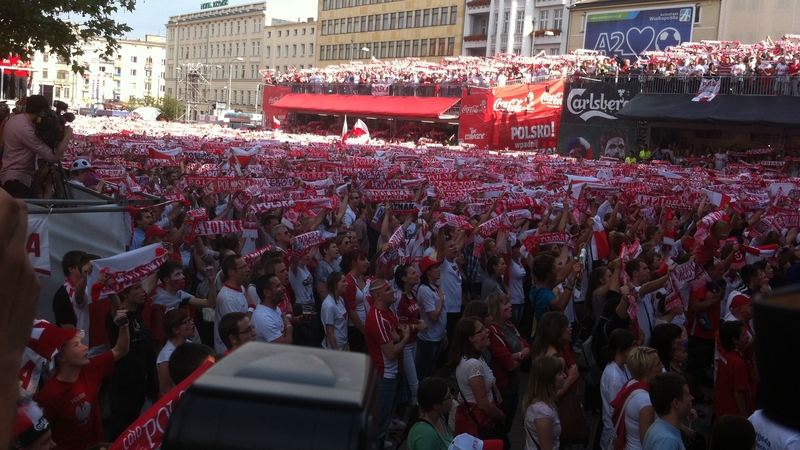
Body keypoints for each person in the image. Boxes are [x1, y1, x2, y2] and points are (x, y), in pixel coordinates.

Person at [35, 310, 130, 450]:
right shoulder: (49, 396)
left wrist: (123, 326)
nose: (85, 347)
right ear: (61, 358)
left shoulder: (90, 369)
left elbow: (121, 350)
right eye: (76, 345)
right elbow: (39, 438)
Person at [104, 282, 157, 440]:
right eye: (137, 288)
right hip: (123, 382)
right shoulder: (118, 316)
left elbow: (151, 284)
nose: (142, 291)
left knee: (133, 426)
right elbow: (115, 307)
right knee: (120, 429)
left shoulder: (137, 309)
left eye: (141, 287)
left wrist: (161, 260)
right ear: (125, 294)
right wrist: (109, 288)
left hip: (139, 379)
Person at [364, 278, 411, 450]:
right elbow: (391, 353)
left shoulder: (388, 311)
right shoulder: (377, 319)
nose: (393, 291)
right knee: (380, 422)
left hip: (394, 373)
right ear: (377, 295)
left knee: (385, 416)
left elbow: (396, 333)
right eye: (388, 289)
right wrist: (405, 339)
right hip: (385, 376)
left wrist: (399, 337)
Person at [530, 312, 586, 447]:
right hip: (557, 410)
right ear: (557, 330)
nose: (570, 328)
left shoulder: (540, 349)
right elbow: (553, 394)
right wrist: (571, 378)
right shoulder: (557, 359)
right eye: (566, 326)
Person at [0, 95, 73, 198]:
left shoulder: (14, 119)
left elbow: (2, 144)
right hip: (17, 181)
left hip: (10, 177)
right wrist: (67, 137)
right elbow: (53, 157)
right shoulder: (26, 129)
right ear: (43, 111)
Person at [449, 317, 506, 445]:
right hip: (482, 422)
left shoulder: (473, 356)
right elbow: (483, 404)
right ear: (471, 338)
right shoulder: (473, 365)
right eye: (482, 330)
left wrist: (495, 391)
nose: (487, 331)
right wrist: (501, 415)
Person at [485, 292, 530, 436]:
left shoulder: (509, 326)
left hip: (513, 387)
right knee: (500, 430)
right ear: (495, 308)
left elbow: (528, 347)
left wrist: (517, 355)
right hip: (503, 390)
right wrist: (520, 356)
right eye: (505, 303)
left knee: (507, 428)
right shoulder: (492, 333)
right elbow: (510, 365)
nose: (510, 306)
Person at [608, 346, 661, 450]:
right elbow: (646, 441)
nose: (662, 366)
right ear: (646, 371)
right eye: (658, 364)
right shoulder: (646, 401)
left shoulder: (631, 383)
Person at [394, 264, 429, 403]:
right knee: (414, 385)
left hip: (414, 342)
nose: (417, 275)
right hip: (405, 345)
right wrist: (417, 326)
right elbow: (396, 324)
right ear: (404, 278)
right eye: (413, 273)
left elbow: (410, 317)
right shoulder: (398, 298)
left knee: (410, 381)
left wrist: (418, 321)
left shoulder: (412, 294)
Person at [599, 328, 635, 448]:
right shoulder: (614, 376)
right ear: (621, 348)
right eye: (631, 346)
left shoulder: (624, 367)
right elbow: (616, 409)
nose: (633, 350)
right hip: (614, 433)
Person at [522, 355, 565, 450]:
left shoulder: (544, 404)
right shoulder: (542, 412)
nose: (564, 376)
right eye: (560, 373)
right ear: (549, 378)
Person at [642, 372, 694, 450]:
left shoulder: (661, 427)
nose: (691, 398)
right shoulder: (667, 440)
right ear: (676, 403)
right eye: (688, 395)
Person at [715, 320, 756, 418]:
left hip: (722, 406)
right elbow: (738, 393)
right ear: (735, 340)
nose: (746, 336)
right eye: (743, 334)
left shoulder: (725, 353)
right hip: (734, 412)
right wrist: (744, 417)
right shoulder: (738, 363)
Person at [416, 256, 447, 381]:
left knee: (431, 369)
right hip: (429, 339)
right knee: (423, 371)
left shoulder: (436, 288)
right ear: (428, 271)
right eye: (435, 267)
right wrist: (441, 299)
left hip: (438, 336)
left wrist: (444, 333)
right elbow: (433, 315)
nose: (439, 270)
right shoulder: (424, 290)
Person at [213, 254, 251, 353]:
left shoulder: (241, 288)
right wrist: (251, 307)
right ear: (231, 272)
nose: (248, 269)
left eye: (247, 265)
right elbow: (238, 328)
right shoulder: (227, 298)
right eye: (243, 267)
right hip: (229, 353)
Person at [403, 377, 454, 450]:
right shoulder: (426, 434)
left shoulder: (440, 418)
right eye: (448, 397)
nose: (452, 398)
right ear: (436, 405)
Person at [156, 308, 196, 397]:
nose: (192, 323)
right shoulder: (166, 357)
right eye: (187, 322)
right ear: (176, 330)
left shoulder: (190, 345)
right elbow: (165, 391)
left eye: (191, 319)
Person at [342, 249, 371, 353]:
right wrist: (364, 332)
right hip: (356, 329)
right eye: (363, 259)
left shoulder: (362, 278)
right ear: (354, 263)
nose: (367, 262)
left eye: (366, 259)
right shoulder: (349, 282)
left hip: (366, 325)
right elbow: (352, 312)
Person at [252, 273, 293, 344]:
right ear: (267, 293)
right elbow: (285, 346)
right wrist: (289, 327)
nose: (283, 288)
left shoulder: (275, 308)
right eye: (278, 286)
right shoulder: (264, 318)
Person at [321, 271, 349, 350]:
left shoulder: (340, 299)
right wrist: (337, 352)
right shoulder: (329, 306)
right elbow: (330, 332)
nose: (347, 284)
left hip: (343, 344)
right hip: (333, 349)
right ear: (335, 284)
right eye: (343, 281)